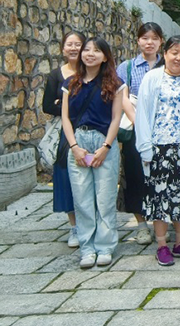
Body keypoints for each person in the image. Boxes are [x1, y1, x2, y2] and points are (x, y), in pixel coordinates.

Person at [135, 35, 180, 266]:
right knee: (160, 197)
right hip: (160, 147)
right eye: (174, 52)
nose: (178, 57)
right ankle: (162, 245)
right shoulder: (153, 78)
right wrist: (145, 148)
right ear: (164, 54)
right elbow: (142, 114)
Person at [61, 37, 124, 268]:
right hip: (78, 141)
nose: (90, 54)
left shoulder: (115, 83)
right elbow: (65, 118)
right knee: (82, 199)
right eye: (86, 49)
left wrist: (106, 147)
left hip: (103, 141)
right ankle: (87, 248)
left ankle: (105, 246)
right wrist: (74, 147)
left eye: (96, 50)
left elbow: (116, 118)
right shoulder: (71, 83)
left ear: (105, 56)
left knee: (105, 198)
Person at [117, 22, 164, 245]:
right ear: (138, 41)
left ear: (161, 42)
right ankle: (142, 225)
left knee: (161, 176)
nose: (149, 42)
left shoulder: (168, 64)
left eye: (154, 38)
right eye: (145, 38)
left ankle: (161, 222)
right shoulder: (127, 67)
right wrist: (140, 124)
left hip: (163, 129)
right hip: (136, 128)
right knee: (135, 175)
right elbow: (123, 98)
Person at [41, 30, 85, 249]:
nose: (74, 48)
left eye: (78, 44)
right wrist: (68, 107)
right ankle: (74, 227)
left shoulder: (92, 71)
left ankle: (91, 222)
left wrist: (66, 103)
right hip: (65, 135)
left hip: (90, 130)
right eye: (70, 44)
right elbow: (47, 105)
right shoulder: (56, 75)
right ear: (63, 48)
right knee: (66, 177)